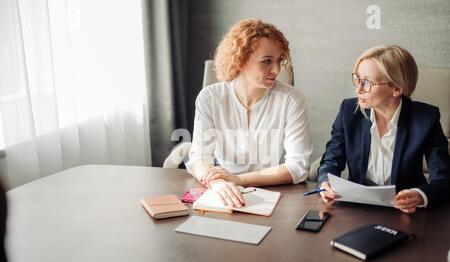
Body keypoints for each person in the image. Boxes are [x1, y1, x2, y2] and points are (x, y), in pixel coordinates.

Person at [186, 19, 313, 208]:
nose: (277, 69)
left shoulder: (292, 100)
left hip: (273, 193)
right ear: (240, 60)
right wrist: (219, 183)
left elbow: (298, 167)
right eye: (267, 61)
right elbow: (199, 158)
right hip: (223, 192)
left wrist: (238, 180)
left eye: (279, 60)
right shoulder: (209, 98)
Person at [317, 45, 450, 213]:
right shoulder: (348, 112)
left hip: (405, 211)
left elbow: (443, 179)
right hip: (357, 209)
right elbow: (331, 161)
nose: (358, 89)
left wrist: (419, 195)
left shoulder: (426, 118)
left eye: (367, 82)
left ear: (396, 88)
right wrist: (325, 182)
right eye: (357, 79)